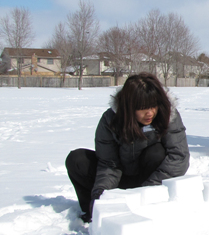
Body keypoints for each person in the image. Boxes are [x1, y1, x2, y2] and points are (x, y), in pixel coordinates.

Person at [66, 72, 190, 222]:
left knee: (156, 152)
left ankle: (149, 207)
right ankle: (92, 213)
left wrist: (145, 192)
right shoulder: (110, 119)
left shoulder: (168, 115)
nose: (150, 113)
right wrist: (101, 196)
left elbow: (179, 157)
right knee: (77, 159)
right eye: (142, 108)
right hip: (119, 178)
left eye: (153, 106)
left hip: (149, 181)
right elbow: (108, 164)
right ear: (129, 107)